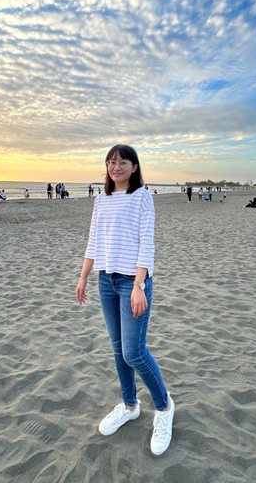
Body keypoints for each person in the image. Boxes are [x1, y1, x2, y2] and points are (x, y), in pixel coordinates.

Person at [75, 144, 174, 456]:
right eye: (110, 162)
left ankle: (164, 406)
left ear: (134, 166)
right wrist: (83, 277)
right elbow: (93, 241)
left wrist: (139, 284)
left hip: (133, 281)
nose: (115, 167)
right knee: (118, 349)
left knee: (134, 351)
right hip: (106, 280)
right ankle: (130, 405)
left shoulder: (142, 196)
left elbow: (147, 242)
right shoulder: (101, 199)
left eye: (122, 162)